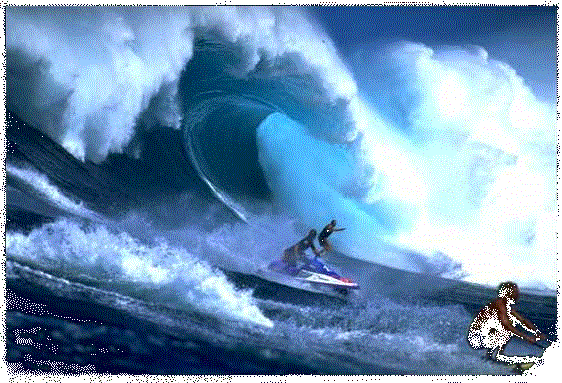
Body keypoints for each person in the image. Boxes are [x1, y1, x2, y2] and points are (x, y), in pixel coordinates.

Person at [467, 281, 546, 360]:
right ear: (507, 294)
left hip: (485, 336)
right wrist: (527, 337)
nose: (518, 296)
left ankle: (499, 355)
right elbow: (506, 326)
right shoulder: (499, 306)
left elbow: (522, 321)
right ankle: (489, 357)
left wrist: (536, 332)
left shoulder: (507, 307)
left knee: (512, 323)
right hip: (475, 339)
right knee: (506, 326)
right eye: (516, 294)